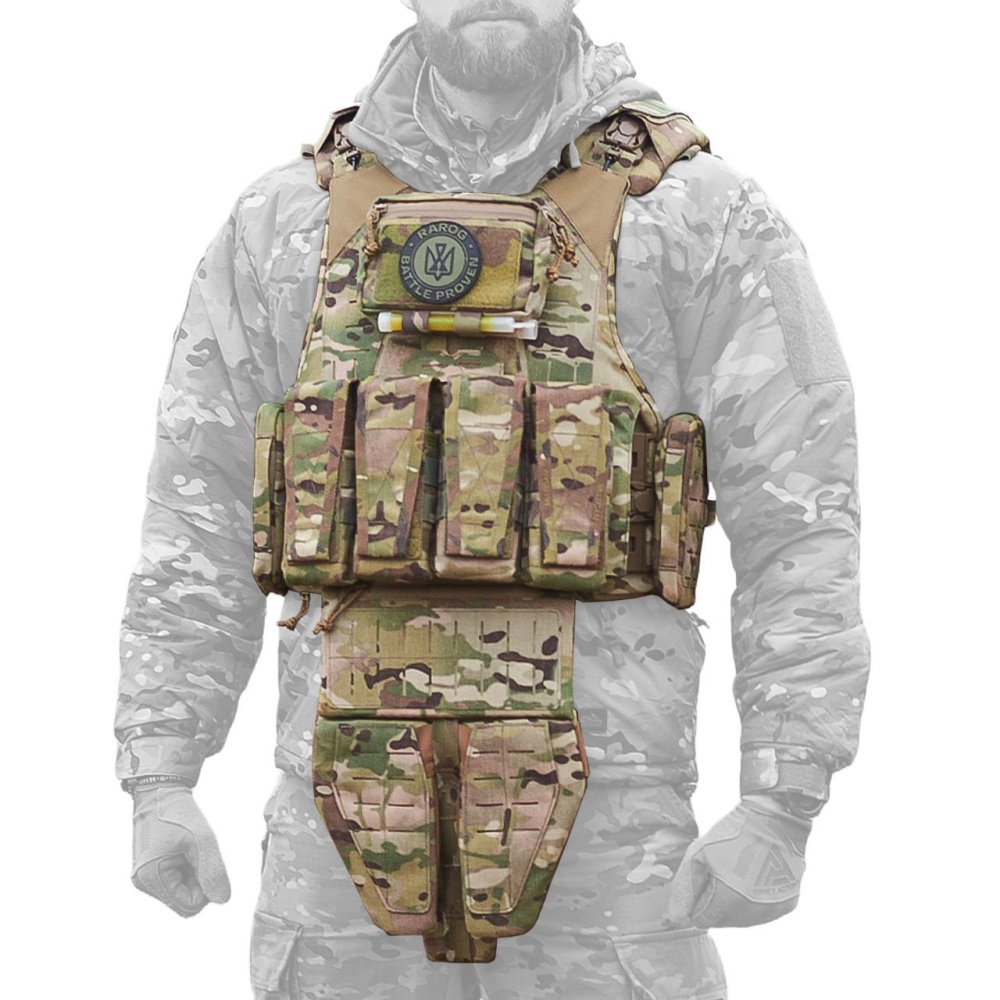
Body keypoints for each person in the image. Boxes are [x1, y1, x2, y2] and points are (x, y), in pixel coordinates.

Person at [117, 2, 871, 997]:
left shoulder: (699, 216)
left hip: (613, 855)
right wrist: (161, 772)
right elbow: (199, 510)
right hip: (339, 838)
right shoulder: (282, 222)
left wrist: (784, 794)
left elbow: (802, 518)